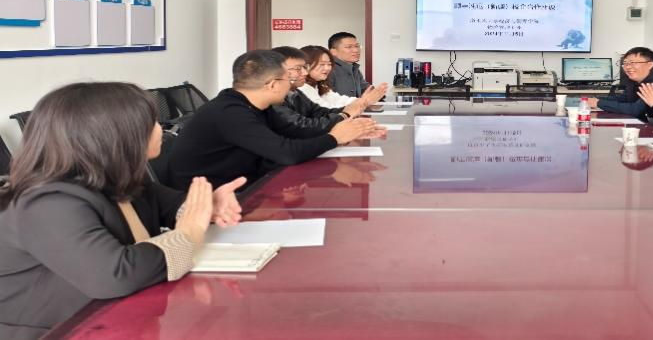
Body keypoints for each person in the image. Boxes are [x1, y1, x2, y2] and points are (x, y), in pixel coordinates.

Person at [0, 82, 246, 339]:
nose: (160, 129)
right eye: (151, 122)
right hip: (60, 331)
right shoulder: (47, 202)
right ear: (114, 135)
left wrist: (207, 207)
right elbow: (115, 275)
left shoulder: (112, 177)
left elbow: (172, 204)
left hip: (117, 316)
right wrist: (190, 232)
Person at [168, 50, 379, 191]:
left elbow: (297, 132)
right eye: (288, 79)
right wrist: (334, 138)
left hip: (243, 183)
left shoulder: (258, 106)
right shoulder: (229, 112)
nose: (291, 85)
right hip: (209, 199)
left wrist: (350, 128)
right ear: (272, 85)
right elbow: (287, 152)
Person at [272, 46, 387, 134]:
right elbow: (304, 126)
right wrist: (350, 112)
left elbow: (321, 111)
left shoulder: (297, 92)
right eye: (298, 68)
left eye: (329, 64)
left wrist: (359, 104)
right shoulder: (276, 98)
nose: (305, 73)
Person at [596, 47, 653, 118]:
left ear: (650, 64)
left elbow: (637, 110)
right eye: (625, 63)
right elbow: (624, 98)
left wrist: (599, 103)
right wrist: (594, 99)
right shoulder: (636, 81)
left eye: (633, 63)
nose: (628, 67)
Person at [327, 31, 369, 97]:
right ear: (333, 52)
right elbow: (327, 98)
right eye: (349, 47)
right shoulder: (328, 69)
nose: (356, 50)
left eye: (357, 46)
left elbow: (364, 88)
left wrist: (377, 92)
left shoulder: (354, 68)